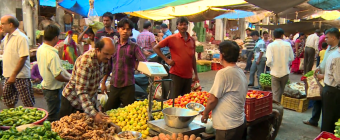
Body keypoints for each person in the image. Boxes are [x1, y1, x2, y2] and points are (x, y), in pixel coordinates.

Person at [59, 37, 116, 124]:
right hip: (72, 102)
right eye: (106, 54)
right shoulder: (86, 62)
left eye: (111, 54)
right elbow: (81, 90)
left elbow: (93, 86)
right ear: (98, 50)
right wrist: (94, 113)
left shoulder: (104, 60)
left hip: (85, 102)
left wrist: (96, 106)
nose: (109, 57)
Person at [201, 40, 247, 140]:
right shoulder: (240, 71)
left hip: (227, 125)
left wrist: (205, 114)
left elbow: (212, 100)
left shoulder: (223, 73)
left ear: (222, 55)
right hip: (239, 121)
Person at [103, 18, 146, 111]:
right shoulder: (113, 46)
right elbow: (108, 67)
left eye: (128, 29)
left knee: (130, 113)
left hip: (128, 86)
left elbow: (143, 62)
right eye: (123, 28)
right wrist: (103, 82)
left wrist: (152, 73)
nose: (125, 31)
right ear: (118, 29)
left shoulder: (134, 47)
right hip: (114, 85)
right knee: (108, 111)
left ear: (131, 31)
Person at [153, 17, 199, 99]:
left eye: (185, 24)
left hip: (188, 76)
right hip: (176, 75)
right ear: (177, 26)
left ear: (187, 26)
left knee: (185, 99)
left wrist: (196, 74)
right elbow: (156, 48)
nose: (183, 27)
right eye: (181, 25)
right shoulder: (172, 38)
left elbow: (193, 58)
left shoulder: (192, 40)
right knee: (174, 100)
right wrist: (166, 59)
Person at [303, 27, 340, 127]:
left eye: (327, 37)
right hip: (323, 79)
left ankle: (326, 129)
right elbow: (325, 61)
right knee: (317, 99)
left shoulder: (337, 53)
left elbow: (337, 74)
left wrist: (324, 76)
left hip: (330, 83)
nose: (325, 39)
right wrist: (319, 67)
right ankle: (314, 120)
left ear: (333, 37)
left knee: (327, 109)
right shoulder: (329, 47)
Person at [37, 24, 70, 122]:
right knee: (54, 114)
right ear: (56, 37)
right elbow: (58, 76)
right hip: (53, 89)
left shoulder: (41, 49)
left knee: (53, 111)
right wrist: (70, 79)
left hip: (46, 86)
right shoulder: (52, 54)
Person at [1, 15, 34, 108]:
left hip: (20, 76)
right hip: (8, 74)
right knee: (7, 98)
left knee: (27, 101)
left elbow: (23, 57)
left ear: (10, 24)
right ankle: (13, 116)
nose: (1, 26)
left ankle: (34, 121)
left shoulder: (21, 37)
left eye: (3, 24)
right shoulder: (7, 37)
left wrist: (14, 75)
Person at [266, 28, 294, 102]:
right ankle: (280, 107)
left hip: (275, 73)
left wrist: (272, 66)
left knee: (275, 93)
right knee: (281, 92)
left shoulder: (270, 46)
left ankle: (276, 110)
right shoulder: (288, 45)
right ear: (282, 35)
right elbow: (292, 58)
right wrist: (285, 62)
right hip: (285, 72)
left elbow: (268, 61)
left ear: (274, 36)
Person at [320, 41, 340, 133]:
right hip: (333, 91)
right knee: (330, 120)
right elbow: (338, 79)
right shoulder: (338, 57)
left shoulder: (334, 54)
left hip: (330, 89)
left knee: (328, 118)